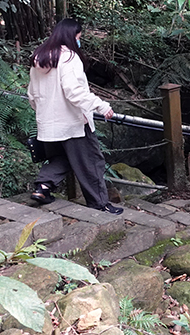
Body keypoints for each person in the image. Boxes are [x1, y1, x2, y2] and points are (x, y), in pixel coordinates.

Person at [28, 19, 121, 214]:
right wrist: (101, 106)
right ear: (71, 37)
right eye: (79, 38)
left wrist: (42, 114)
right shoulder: (68, 58)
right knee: (91, 161)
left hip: (48, 123)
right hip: (73, 122)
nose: (79, 42)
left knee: (62, 157)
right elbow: (74, 92)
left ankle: (43, 188)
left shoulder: (40, 57)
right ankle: (100, 204)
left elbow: (32, 94)